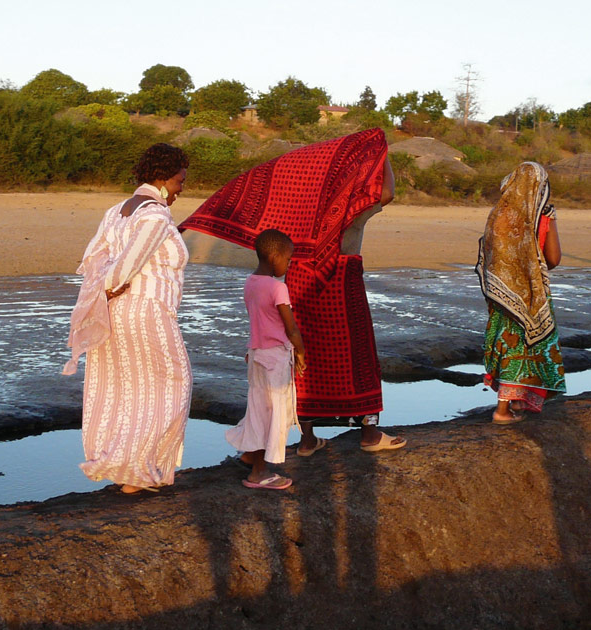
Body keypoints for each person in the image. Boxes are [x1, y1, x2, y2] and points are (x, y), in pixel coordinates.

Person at [181, 129, 406, 455]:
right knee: (356, 354)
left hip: (299, 281)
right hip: (341, 281)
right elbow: (386, 192)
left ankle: (308, 438)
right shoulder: (349, 210)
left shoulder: (295, 211)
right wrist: (382, 153)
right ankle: (369, 432)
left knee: (303, 361)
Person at [63, 144, 191, 495]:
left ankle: (125, 467)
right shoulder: (154, 216)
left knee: (125, 389)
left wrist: (104, 294)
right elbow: (120, 269)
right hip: (145, 310)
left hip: (117, 313)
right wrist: (110, 287)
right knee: (172, 384)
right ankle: (138, 469)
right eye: (180, 180)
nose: (182, 188)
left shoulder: (117, 211)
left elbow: (91, 259)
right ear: (163, 178)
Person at [475, 162, 566, 424]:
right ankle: (503, 410)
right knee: (527, 345)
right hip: (531, 292)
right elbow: (554, 258)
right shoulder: (543, 214)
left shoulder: (499, 212)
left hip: (501, 294)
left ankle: (515, 402)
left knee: (506, 342)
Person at [226, 229, 305, 490]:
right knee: (272, 415)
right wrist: (301, 351)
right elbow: (290, 327)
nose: (289, 264)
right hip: (275, 359)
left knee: (258, 409)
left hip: (257, 355)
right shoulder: (278, 287)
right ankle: (259, 472)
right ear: (275, 256)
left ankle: (250, 455)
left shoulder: (250, 282)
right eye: (289, 259)